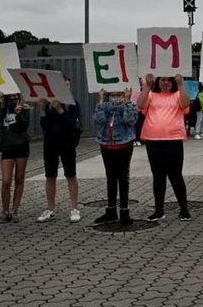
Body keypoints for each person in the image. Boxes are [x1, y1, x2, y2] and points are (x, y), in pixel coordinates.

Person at [138, 75, 192, 221]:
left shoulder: (177, 94)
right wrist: (146, 87)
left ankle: (184, 208)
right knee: (158, 176)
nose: (166, 83)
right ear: (158, 81)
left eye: (169, 80)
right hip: (153, 140)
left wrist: (181, 85)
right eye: (162, 80)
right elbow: (141, 105)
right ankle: (159, 209)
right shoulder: (151, 94)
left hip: (173, 140)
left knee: (176, 175)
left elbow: (186, 104)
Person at [36, 78, 83, 223]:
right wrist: (43, 109)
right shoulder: (50, 104)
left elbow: (72, 125)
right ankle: (50, 209)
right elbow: (44, 126)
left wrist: (60, 110)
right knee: (50, 176)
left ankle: (74, 208)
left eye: (68, 85)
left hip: (67, 143)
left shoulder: (73, 104)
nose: (65, 88)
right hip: (50, 143)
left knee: (71, 174)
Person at [93, 88, 139, 225]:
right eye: (113, 95)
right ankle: (111, 210)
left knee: (123, 178)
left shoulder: (130, 106)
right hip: (106, 144)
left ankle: (124, 211)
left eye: (119, 95)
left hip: (124, 145)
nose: (115, 98)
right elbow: (98, 120)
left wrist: (127, 102)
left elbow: (130, 120)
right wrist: (101, 101)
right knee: (110, 178)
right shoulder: (105, 106)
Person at [0, 92, 30, 222]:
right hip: (7, 147)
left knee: (19, 178)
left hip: (21, 146)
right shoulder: (3, 108)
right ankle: (4, 210)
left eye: (16, 96)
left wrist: (19, 114)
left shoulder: (24, 107)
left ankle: (15, 210)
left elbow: (23, 127)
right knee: (6, 180)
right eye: (11, 96)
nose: (14, 99)